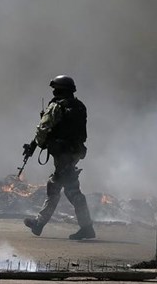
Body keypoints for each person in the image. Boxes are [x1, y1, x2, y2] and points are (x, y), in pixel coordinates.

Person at [22, 75, 95, 240]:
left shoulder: (56, 107)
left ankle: (86, 227)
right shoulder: (79, 106)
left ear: (61, 90)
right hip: (75, 151)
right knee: (56, 186)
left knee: (70, 191)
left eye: (55, 88)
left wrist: (35, 145)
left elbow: (43, 129)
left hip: (63, 153)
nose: (53, 91)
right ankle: (39, 224)